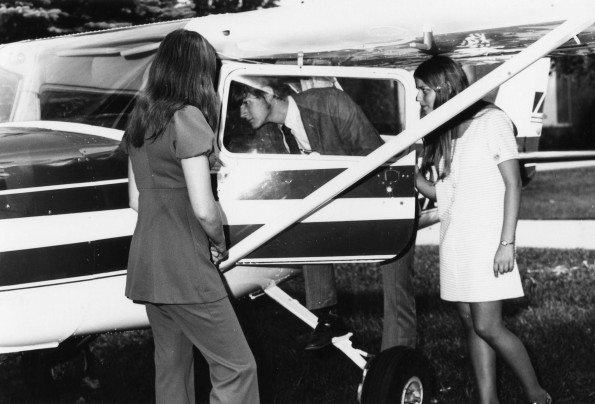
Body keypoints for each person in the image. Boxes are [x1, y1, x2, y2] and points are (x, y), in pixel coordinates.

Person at [121, 29, 259, 404]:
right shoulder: (187, 118)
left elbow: (135, 200)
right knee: (237, 369)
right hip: (186, 267)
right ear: (197, 72)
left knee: (172, 369)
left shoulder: (140, 117)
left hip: (148, 264)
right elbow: (203, 207)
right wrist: (218, 241)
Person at [236, 79, 417, 351]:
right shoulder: (271, 133)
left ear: (270, 94)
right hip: (336, 206)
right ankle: (328, 315)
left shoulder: (330, 102)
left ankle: (400, 354)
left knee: (396, 280)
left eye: (246, 102)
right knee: (303, 217)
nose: (241, 112)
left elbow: (375, 153)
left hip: (383, 195)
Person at [413, 55, 551, 404]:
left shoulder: (492, 121)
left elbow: (513, 183)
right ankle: (488, 401)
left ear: (444, 88)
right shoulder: (446, 129)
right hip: (456, 240)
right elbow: (450, 192)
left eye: (423, 91)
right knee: (471, 323)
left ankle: (537, 395)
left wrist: (507, 243)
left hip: (487, 240)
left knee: (488, 326)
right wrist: (413, 179)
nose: (419, 99)